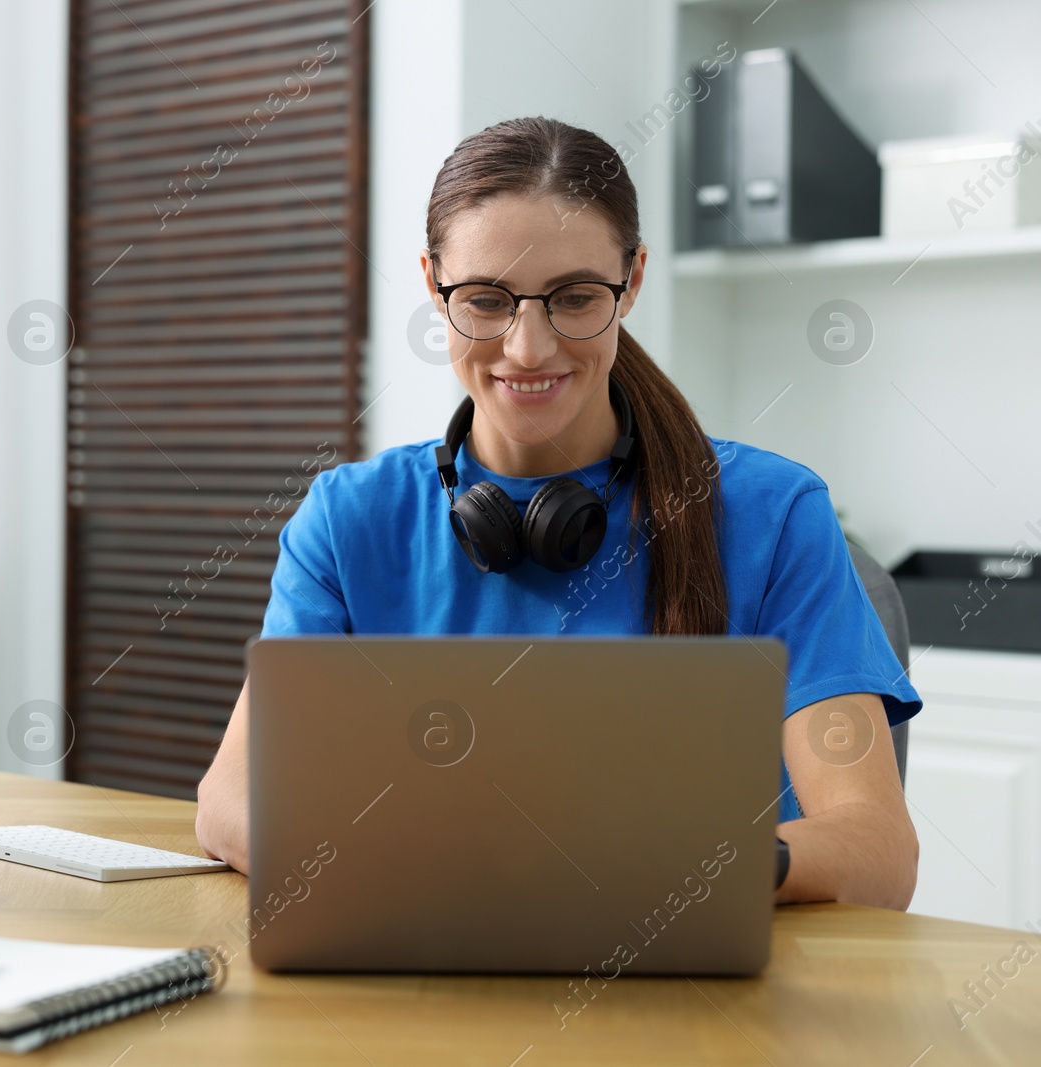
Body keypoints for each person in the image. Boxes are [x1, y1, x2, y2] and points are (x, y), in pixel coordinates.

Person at [194, 116, 921, 910]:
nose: (528, 346)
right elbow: (232, 801)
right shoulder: (347, 520)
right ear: (434, 285)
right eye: (485, 299)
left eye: (575, 297)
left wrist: (671, 863)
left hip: (691, 1000)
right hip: (418, 979)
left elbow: (876, 850)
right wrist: (442, 863)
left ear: (632, 280)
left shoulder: (773, 514)